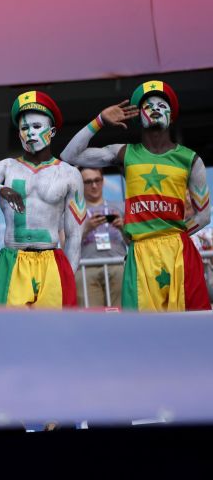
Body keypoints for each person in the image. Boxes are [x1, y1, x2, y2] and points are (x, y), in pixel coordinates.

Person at [61, 81, 210, 312]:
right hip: (140, 253)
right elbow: (69, 155)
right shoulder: (123, 152)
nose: (155, 109)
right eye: (148, 106)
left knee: (190, 323)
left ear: (171, 117)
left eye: (162, 104)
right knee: (143, 330)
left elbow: (204, 216)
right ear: (138, 116)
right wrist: (100, 120)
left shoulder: (191, 159)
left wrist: (174, 237)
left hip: (179, 252)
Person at [0, 91, 83, 308]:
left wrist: (67, 274)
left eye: (37, 127)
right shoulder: (6, 167)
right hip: (13, 260)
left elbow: (75, 234)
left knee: (54, 335)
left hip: (51, 260)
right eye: (25, 128)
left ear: (52, 131)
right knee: (12, 335)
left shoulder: (69, 173)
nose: (30, 133)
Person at [76, 167, 126, 307]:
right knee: (92, 319)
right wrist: (86, 229)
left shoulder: (121, 207)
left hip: (118, 266)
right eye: (88, 181)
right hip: (86, 269)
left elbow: (133, 241)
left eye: (97, 180)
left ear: (103, 181)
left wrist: (123, 228)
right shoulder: (73, 212)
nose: (94, 185)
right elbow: (64, 244)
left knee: (121, 315)